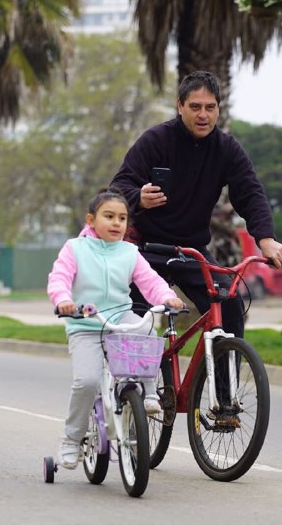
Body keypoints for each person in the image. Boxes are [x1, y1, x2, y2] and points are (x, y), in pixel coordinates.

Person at [111, 70, 282, 340]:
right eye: (195, 107)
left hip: (192, 251)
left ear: (218, 109)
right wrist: (139, 198)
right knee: (135, 321)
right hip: (146, 249)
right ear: (180, 106)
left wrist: (266, 239)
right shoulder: (155, 140)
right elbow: (118, 187)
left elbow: (251, 194)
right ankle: (136, 369)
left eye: (210, 107)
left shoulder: (227, 149)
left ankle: (225, 368)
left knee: (229, 306)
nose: (203, 115)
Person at [47, 187, 184, 470]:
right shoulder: (75, 248)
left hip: (120, 320)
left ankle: (149, 393)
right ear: (91, 220)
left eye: (122, 218)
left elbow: (150, 281)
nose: (116, 223)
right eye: (108, 216)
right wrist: (63, 301)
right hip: (86, 324)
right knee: (87, 382)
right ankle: (71, 438)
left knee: (146, 332)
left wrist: (166, 297)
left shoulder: (129, 252)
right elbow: (59, 278)